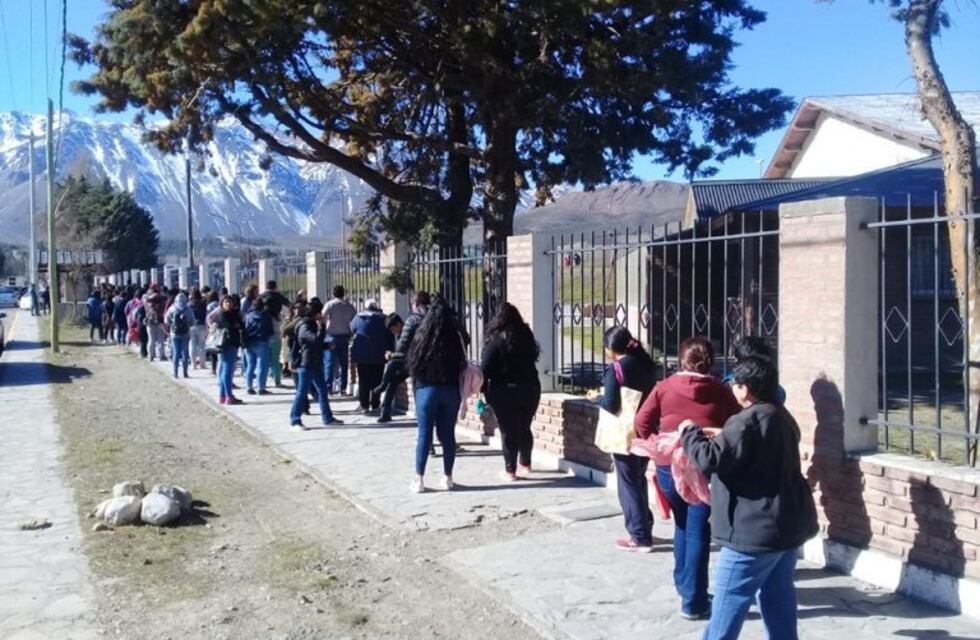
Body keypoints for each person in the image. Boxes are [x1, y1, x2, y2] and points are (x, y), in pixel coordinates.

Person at [681, 356, 818, 640]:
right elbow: (754, 450)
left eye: (735, 384)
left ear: (746, 389)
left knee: (728, 603)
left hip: (753, 532)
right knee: (777, 596)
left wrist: (689, 433)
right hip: (787, 525)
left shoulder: (745, 421)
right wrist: (723, 436)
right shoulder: (781, 415)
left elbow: (709, 459)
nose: (732, 388)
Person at [633, 336, 741, 620]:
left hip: (670, 464)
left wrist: (660, 445)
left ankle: (686, 586)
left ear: (681, 360)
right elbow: (737, 422)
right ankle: (693, 599)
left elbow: (642, 421)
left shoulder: (664, 387)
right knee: (696, 529)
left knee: (683, 524)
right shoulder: (720, 390)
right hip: (705, 464)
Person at [597, 326, 657, 552]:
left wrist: (597, 398)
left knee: (628, 483)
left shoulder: (616, 370)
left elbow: (611, 404)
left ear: (611, 348)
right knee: (638, 478)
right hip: (645, 429)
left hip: (625, 433)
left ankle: (639, 536)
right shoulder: (645, 365)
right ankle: (645, 525)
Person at [405, 302, 466, 494]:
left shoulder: (421, 337)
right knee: (448, 435)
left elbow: (412, 365)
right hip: (450, 390)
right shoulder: (454, 339)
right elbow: (463, 360)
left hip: (426, 389)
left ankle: (419, 479)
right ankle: (447, 477)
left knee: (424, 434)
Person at [481, 303, 541, 481]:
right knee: (524, 426)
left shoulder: (498, 340)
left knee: (508, 431)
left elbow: (485, 367)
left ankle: (510, 470)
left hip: (505, 391)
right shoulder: (527, 335)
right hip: (530, 388)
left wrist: (483, 389)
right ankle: (526, 463)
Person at [289, 300, 343, 430]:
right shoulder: (305, 325)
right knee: (302, 392)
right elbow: (314, 340)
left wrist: (326, 346)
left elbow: (316, 344)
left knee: (322, 391)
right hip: (305, 363)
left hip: (315, 362)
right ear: (316, 313)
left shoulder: (311, 323)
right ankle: (295, 420)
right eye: (321, 313)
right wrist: (322, 327)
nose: (323, 315)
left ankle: (327, 417)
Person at [350, 299, 389, 416]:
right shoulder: (383, 319)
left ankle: (364, 405)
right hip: (379, 354)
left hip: (362, 355)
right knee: (377, 380)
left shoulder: (358, 318)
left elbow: (352, 329)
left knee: (363, 381)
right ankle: (375, 404)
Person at [209, 294, 245, 404]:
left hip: (227, 344)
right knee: (227, 371)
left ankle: (222, 395)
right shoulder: (225, 316)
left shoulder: (229, 314)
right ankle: (228, 395)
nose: (228, 304)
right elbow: (237, 326)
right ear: (221, 304)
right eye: (226, 302)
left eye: (230, 302)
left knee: (224, 370)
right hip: (227, 344)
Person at [323, 285, 356, 394]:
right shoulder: (349, 306)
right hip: (345, 336)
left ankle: (328, 387)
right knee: (344, 363)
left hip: (331, 336)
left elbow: (322, 317)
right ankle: (343, 387)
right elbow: (354, 320)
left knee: (330, 363)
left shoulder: (330, 304)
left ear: (333, 294)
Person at [373, 313, 405, 423]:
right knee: (391, 382)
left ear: (399, 324)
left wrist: (393, 355)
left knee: (392, 364)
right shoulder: (397, 336)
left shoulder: (407, 333)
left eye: (393, 329)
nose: (393, 332)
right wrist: (391, 354)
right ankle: (385, 413)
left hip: (409, 364)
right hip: (400, 365)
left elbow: (408, 353)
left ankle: (382, 385)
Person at [260, 281, 290, 387]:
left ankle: (262, 383)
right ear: (275, 287)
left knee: (264, 359)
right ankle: (277, 380)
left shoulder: (261, 296)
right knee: (275, 358)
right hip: (276, 329)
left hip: (263, 332)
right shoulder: (278, 296)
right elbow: (289, 304)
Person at [244, 297, 274, 395]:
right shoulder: (266, 317)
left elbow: (245, 328)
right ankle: (261, 387)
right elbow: (270, 330)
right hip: (262, 341)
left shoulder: (248, 316)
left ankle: (249, 386)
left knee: (250, 365)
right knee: (262, 366)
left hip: (249, 342)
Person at [165, 292, 194, 378]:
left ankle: (175, 372)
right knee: (185, 352)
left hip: (174, 333)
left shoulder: (172, 308)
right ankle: (185, 372)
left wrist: (172, 325)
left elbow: (166, 321)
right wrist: (187, 325)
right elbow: (192, 321)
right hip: (185, 333)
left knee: (176, 353)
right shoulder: (188, 309)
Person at [144, 285, 167, 361]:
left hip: (150, 321)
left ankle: (151, 355)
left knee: (151, 340)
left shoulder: (148, 300)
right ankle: (161, 356)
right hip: (160, 321)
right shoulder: (162, 299)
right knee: (161, 339)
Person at [188, 288, 208, 369]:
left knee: (192, 344)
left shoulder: (189, 305)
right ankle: (202, 364)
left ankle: (193, 364)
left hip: (192, 326)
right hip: (202, 325)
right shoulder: (203, 304)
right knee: (202, 345)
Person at [205, 290, 221, 375]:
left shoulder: (209, 306)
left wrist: (208, 327)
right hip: (220, 328)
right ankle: (217, 366)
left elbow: (207, 318)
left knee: (213, 349)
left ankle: (213, 368)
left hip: (213, 329)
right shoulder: (219, 304)